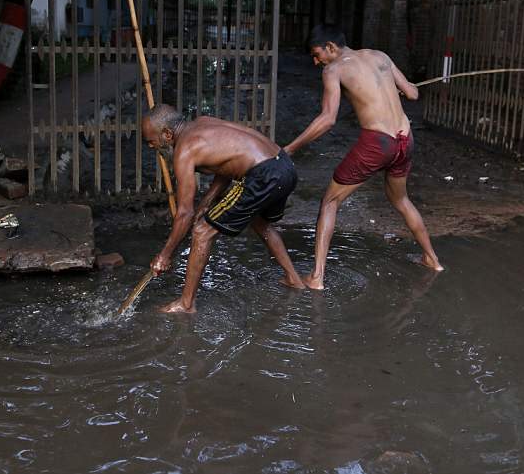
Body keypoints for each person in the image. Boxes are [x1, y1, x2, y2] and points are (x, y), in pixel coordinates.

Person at [284, 24, 443, 289]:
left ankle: (316, 277)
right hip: (405, 140)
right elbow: (413, 93)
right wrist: (405, 87)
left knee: (330, 202)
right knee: (401, 199)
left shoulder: (333, 69)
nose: (316, 61)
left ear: (331, 47)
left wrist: (290, 148)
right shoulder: (380, 56)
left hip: (378, 143)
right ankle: (432, 258)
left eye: (317, 54)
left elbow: (327, 119)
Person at [142, 104, 306, 313]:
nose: (151, 146)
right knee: (258, 220)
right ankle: (293, 278)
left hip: (264, 174)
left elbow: (185, 213)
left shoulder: (184, 150)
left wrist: (164, 255)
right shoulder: (203, 122)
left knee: (202, 232)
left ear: (166, 134)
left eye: (151, 141)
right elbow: (227, 165)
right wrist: (206, 202)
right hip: (284, 165)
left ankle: (186, 304)